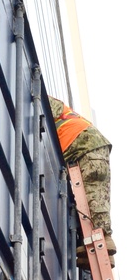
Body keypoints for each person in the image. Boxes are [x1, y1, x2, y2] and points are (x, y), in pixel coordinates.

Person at [48, 96, 116, 266]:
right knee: (90, 199)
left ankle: (103, 240)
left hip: (85, 146)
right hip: (91, 147)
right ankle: (97, 251)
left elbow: (42, 110)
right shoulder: (71, 116)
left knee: (93, 195)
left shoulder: (51, 102)